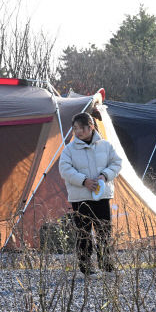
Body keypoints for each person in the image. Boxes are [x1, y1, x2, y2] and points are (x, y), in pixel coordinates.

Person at [59, 112, 122, 276]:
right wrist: (84, 180)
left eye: (81, 128)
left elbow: (117, 163)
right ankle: (86, 269)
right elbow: (65, 170)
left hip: (101, 196)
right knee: (83, 233)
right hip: (80, 198)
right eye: (75, 129)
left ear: (91, 127)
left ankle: (107, 265)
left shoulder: (106, 146)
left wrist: (105, 175)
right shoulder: (69, 150)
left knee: (104, 231)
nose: (78, 132)